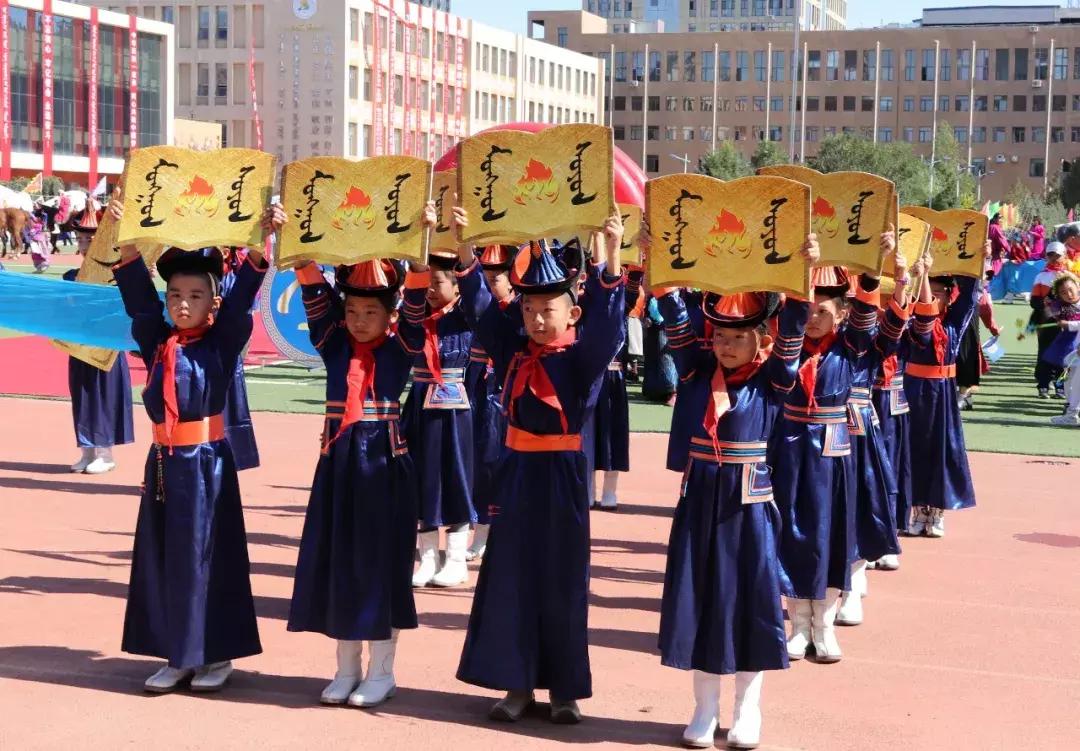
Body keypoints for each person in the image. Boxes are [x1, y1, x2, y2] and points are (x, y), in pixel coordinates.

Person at [452, 208, 626, 725]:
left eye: (548, 309)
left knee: (562, 580)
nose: (537, 318)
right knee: (512, 576)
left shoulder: (583, 358)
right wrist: (466, 247)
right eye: (529, 309)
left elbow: (609, 325)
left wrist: (612, 255)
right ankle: (517, 684)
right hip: (516, 474)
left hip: (563, 476)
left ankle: (564, 691)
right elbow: (482, 310)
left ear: (572, 314)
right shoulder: (513, 349)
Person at [108, 195, 281, 693]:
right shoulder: (157, 341)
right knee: (166, 555)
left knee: (210, 556)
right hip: (164, 464)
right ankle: (177, 654)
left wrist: (261, 244)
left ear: (213, 302)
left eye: (195, 295)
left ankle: (215, 654)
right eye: (176, 295)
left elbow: (243, 298)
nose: (183, 304)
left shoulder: (221, 342)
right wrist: (125, 241)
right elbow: (140, 301)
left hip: (208, 464)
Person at [652, 237, 817, 750]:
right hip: (701, 500)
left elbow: (793, 328)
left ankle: (748, 709)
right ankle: (704, 707)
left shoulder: (773, 379)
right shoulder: (697, 370)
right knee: (699, 599)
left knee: (751, 603)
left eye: (737, 337)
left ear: (760, 339)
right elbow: (675, 321)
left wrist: (804, 274)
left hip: (749, 508)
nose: (725, 345)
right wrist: (660, 265)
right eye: (720, 336)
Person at [287, 203, 440, 706]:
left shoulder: (399, 349)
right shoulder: (333, 346)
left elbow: (415, 312)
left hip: (385, 468)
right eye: (351, 311)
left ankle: (383, 671)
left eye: (371, 312)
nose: (358, 320)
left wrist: (421, 254)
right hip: (338, 468)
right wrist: (301, 247)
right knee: (340, 563)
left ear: (389, 315)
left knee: (383, 567)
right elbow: (315, 299)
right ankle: (346, 667)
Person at [773, 245, 892, 665]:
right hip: (789, 446)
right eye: (809, 310)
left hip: (832, 451)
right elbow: (786, 318)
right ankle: (798, 625)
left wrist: (875, 268)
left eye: (822, 311)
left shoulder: (850, 348)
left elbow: (867, 317)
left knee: (829, 533)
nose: (813, 318)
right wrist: (801, 267)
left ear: (840, 315)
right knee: (791, 531)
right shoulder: (787, 347)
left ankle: (824, 626)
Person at [836, 246, 910, 626]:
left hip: (856, 432)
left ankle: (853, 580)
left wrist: (886, 276)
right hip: (806, 435)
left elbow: (883, 325)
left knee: (858, 506)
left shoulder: (864, 340)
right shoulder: (802, 340)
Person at [905, 241, 989, 538]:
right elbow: (922, 321)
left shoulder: (954, 322)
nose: (933, 296)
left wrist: (979, 257)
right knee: (914, 449)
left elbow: (970, 293)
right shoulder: (912, 323)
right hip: (914, 391)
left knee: (942, 451)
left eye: (939, 292)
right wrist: (920, 276)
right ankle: (917, 510)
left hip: (943, 395)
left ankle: (937, 512)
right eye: (929, 291)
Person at [404, 249, 477, 588]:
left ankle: (457, 559)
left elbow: (480, 299)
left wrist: (465, 257)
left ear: (456, 285)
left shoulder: (466, 316)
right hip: (420, 409)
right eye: (427, 283)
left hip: (457, 413)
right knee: (423, 480)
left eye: (437, 282)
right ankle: (428, 558)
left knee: (456, 478)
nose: (431, 290)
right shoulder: (416, 317)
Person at [464, 244, 518, 560]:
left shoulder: (521, 312)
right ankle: (479, 532)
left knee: (501, 463)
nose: (488, 284)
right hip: (478, 390)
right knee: (478, 462)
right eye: (485, 277)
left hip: (506, 394)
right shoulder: (477, 309)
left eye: (495, 279)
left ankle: (501, 532)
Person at [63, 263, 135, 474]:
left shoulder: (116, 277)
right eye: (82, 244)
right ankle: (87, 452)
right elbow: (67, 307)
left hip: (106, 348)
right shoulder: (71, 276)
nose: (85, 247)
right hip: (80, 347)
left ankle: (105, 454)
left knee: (104, 397)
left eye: (89, 244)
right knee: (82, 398)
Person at [1031, 242, 1070, 399]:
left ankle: (1061, 387)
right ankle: (1043, 385)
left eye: (1057, 255)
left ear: (1064, 256)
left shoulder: (1070, 277)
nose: (1054, 258)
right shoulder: (1041, 276)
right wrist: (1045, 303)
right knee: (1045, 353)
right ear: (1046, 256)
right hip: (1046, 321)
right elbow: (1034, 301)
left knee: (1064, 355)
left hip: (1066, 322)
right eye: (1050, 255)